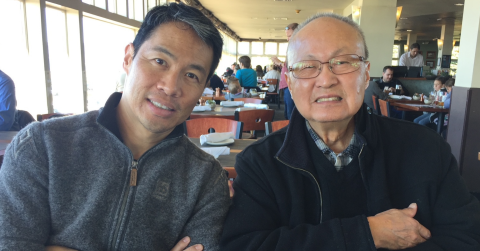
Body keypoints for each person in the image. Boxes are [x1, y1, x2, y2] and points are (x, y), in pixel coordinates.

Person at [221, 12, 480, 250]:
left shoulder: (426, 149)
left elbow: (467, 236)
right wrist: (368, 233)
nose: (326, 79)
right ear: (290, 82)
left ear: (366, 75)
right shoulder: (260, 164)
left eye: (344, 62)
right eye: (307, 66)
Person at [0, 3, 230, 251]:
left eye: (191, 75)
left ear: (204, 87)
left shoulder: (206, 180)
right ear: (129, 58)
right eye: (160, 61)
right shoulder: (40, 146)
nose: (171, 86)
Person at [271, 22, 299, 120]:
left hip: (291, 84)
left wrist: (279, 63)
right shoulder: (293, 46)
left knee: (291, 114)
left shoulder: (298, 47)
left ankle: (291, 134)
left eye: (289, 36)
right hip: (288, 84)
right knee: (288, 114)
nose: (287, 39)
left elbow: (292, 66)